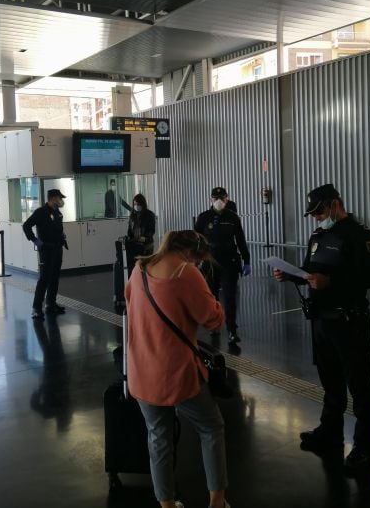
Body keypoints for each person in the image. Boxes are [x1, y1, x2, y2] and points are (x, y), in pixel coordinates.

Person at [273, 183, 370, 476]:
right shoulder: (319, 236)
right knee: (330, 382)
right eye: (313, 213)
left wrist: (331, 283)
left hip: (349, 322)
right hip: (322, 321)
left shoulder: (360, 236)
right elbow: (311, 273)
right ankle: (330, 432)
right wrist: (291, 276)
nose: (316, 217)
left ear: (335, 204)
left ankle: (364, 448)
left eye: (319, 211)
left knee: (359, 385)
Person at [125, 230, 230, 508]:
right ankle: (217, 501)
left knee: (158, 437)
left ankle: (167, 504)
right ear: (190, 253)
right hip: (176, 374)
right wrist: (216, 303)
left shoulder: (139, 268)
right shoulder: (186, 273)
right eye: (199, 259)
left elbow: (130, 303)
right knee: (211, 428)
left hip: (141, 370)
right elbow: (213, 320)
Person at [195, 186, 250, 343]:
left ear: (227, 199)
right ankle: (214, 326)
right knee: (211, 297)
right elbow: (196, 240)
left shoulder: (232, 217)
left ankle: (232, 330)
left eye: (222, 198)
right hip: (210, 263)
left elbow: (240, 240)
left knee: (229, 297)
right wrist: (195, 259)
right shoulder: (204, 217)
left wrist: (247, 261)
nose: (219, 201)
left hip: (229, 262)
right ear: (210, 199)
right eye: (215, 198)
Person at [22, 188, 69, 320]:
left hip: (57, 249)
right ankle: (36, 308)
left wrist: (61, 235)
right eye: (60, 198)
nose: (61, 201)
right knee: (44, 279)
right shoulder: (40, 212)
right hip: (47, 250)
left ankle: (50, 304)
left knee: (54, 278)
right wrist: (36, 241)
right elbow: (26, 226)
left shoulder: (57, 213)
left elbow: (57, 229)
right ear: (53, 198)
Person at [125, 193, 156, 277]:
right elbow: (129, 230)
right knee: (136, 268)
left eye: (138, 204)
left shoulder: (149, 215)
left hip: (147, 246)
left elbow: (152, 230)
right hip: (135, 246)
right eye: (135, 204)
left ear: (143, 204)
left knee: (146, 267)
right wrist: (129, 238)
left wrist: (145, 238)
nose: (136, 206)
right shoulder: (132, 215)